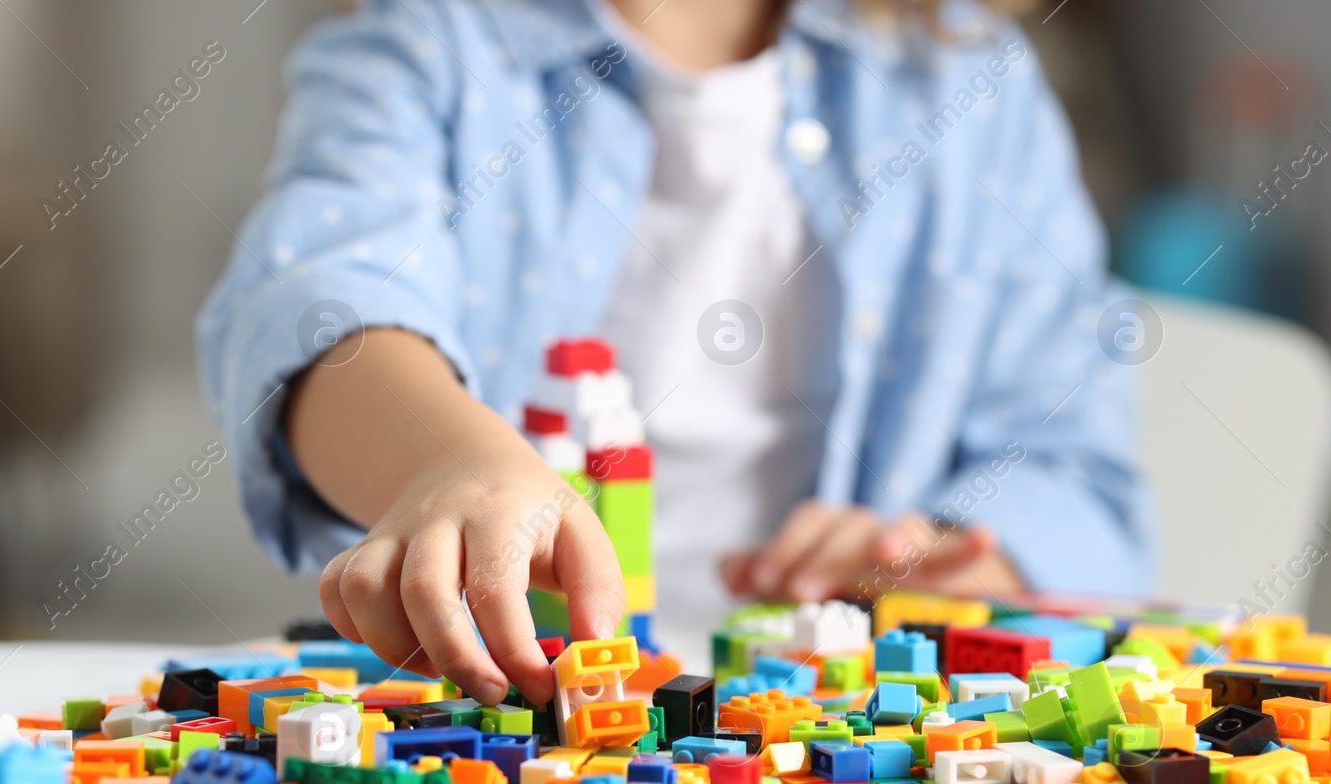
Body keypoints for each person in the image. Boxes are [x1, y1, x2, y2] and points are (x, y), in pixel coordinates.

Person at [197, 0, 1155, 707]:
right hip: (510, 699)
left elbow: (1078, 470)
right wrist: (448, 461)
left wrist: (941, 559)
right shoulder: (423, 40)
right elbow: (319, 298)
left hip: (847, 720)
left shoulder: (970, 78)